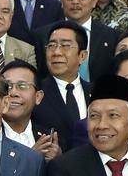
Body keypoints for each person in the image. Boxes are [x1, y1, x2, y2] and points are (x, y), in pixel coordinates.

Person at [37, 0, 120, 84]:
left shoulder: (112, 37)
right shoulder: (42, 35)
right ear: (62, 1)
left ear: (94, 0)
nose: (75, 1)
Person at [31, 20, 90, 151]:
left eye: (65, 46)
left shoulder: (96, 93)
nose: (56, 52)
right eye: (51, 46)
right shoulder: (35, 93)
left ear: (82, 56)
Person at [0, 60, 58, 161]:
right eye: (7, 86)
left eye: (22, 86)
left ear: (38, 97)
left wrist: (58, 160)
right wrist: (31, 158)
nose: (13, 92)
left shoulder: (49, 139)